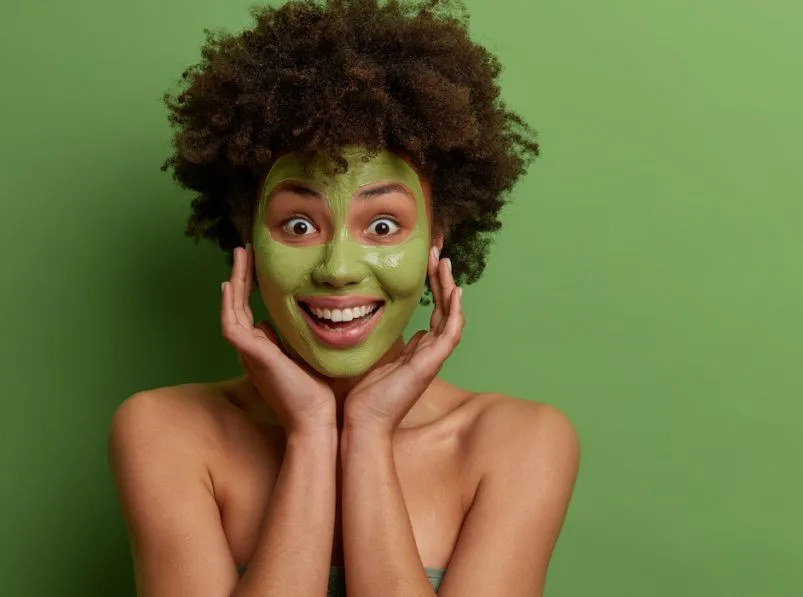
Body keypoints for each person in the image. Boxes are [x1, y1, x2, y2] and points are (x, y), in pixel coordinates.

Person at [109, 1, 579, 596]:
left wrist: (369, 431)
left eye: (382, 226)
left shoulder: (519, 442)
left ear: (437, 239)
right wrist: (311, 433)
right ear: (246, 235)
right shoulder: (164, 432)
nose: (337, 270)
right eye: (298, 226)